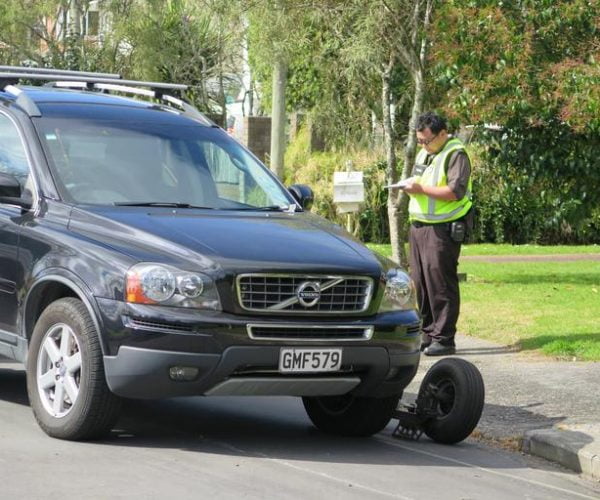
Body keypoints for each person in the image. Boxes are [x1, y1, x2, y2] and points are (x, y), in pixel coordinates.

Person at [402, 111, 472, 356]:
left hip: (442, 228)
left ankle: (444, 338)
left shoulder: (456, 154)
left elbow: (455, 191)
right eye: (419, 140)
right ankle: (427, 333)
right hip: (419, 226)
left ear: (442, 134)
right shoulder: (425, 153)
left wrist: (420, 189)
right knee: (420, 283)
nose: (423, 145)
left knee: (440, 283)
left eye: (426, 140)